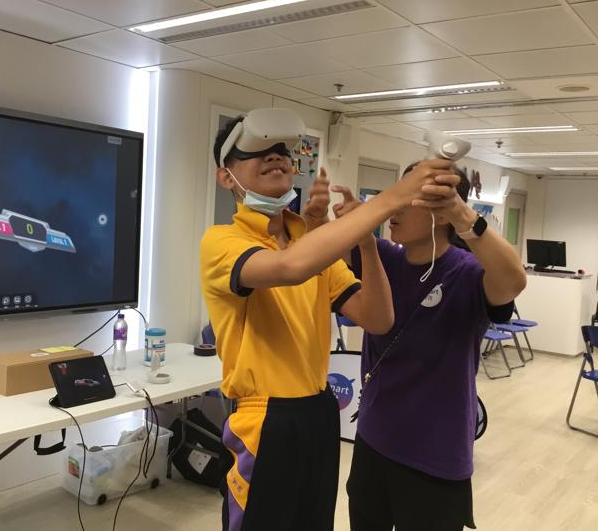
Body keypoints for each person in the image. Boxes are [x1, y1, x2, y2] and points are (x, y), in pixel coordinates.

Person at [199, 108, 461, 531]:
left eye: (282, 150)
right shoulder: (221, 241)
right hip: (265, 420)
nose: (275, 156)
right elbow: (288, 269)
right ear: (226, 177)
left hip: (319, 413)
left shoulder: (310, 244)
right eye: (256, 152)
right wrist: (391, 199)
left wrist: (366, 243)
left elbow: (378, 318)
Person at [330, 163, 526, 531]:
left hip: (434, 458)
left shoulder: (467, 273)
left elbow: (514, 280)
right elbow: (322, 252)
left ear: (442, 212)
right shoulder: (381, 257)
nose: (395, 208)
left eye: (409, 199)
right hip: (373, 440)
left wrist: (462, 214)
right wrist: (349, 220)